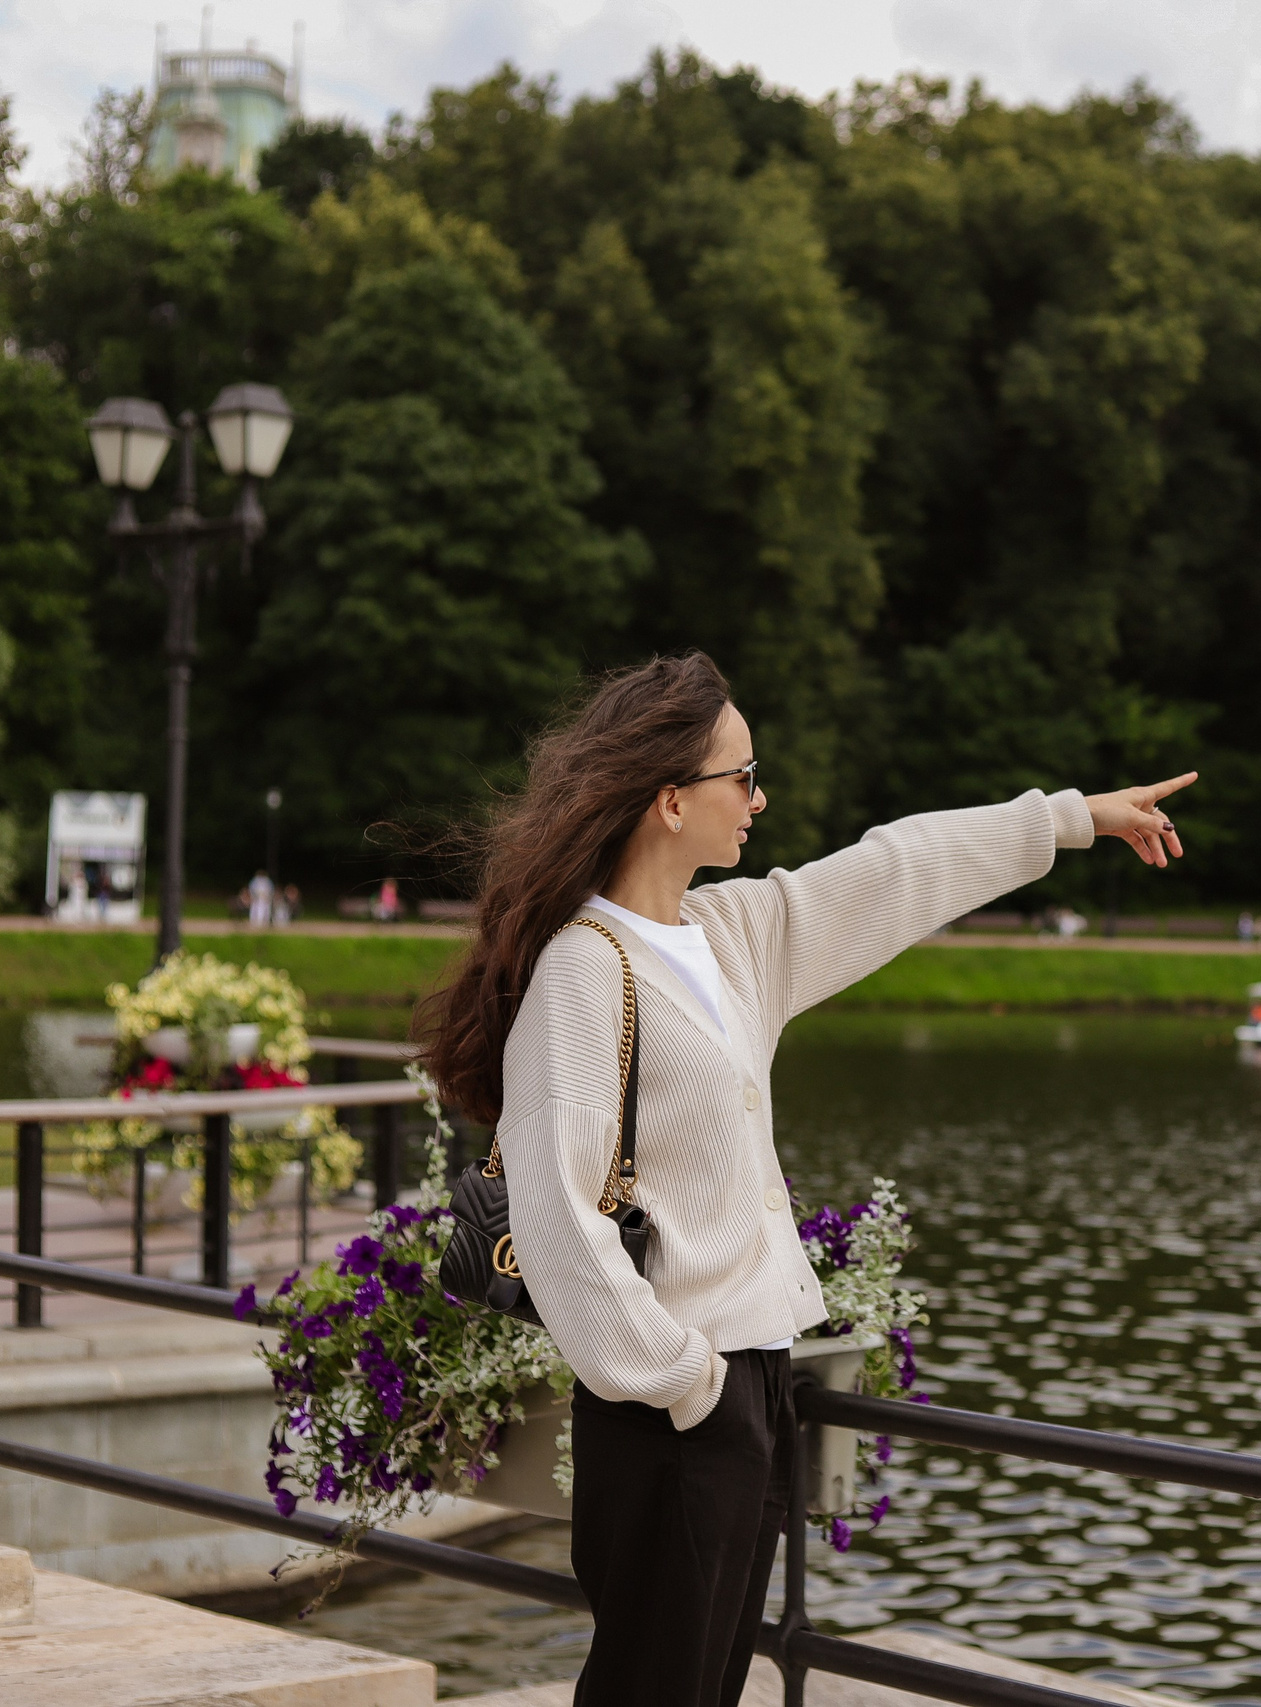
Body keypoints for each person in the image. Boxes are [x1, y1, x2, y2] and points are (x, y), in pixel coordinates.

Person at [415, 653, 1193, 1707]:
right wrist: (684, 1382)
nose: (759, 797)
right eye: (744, 775)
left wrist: (1071, 818)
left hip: (747, 1388)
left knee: (705, 1688)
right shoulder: (583, 972)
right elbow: (557, 1219)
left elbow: (894, 868)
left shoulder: (730, 936)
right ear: (669, 798)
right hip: (674, 1414)